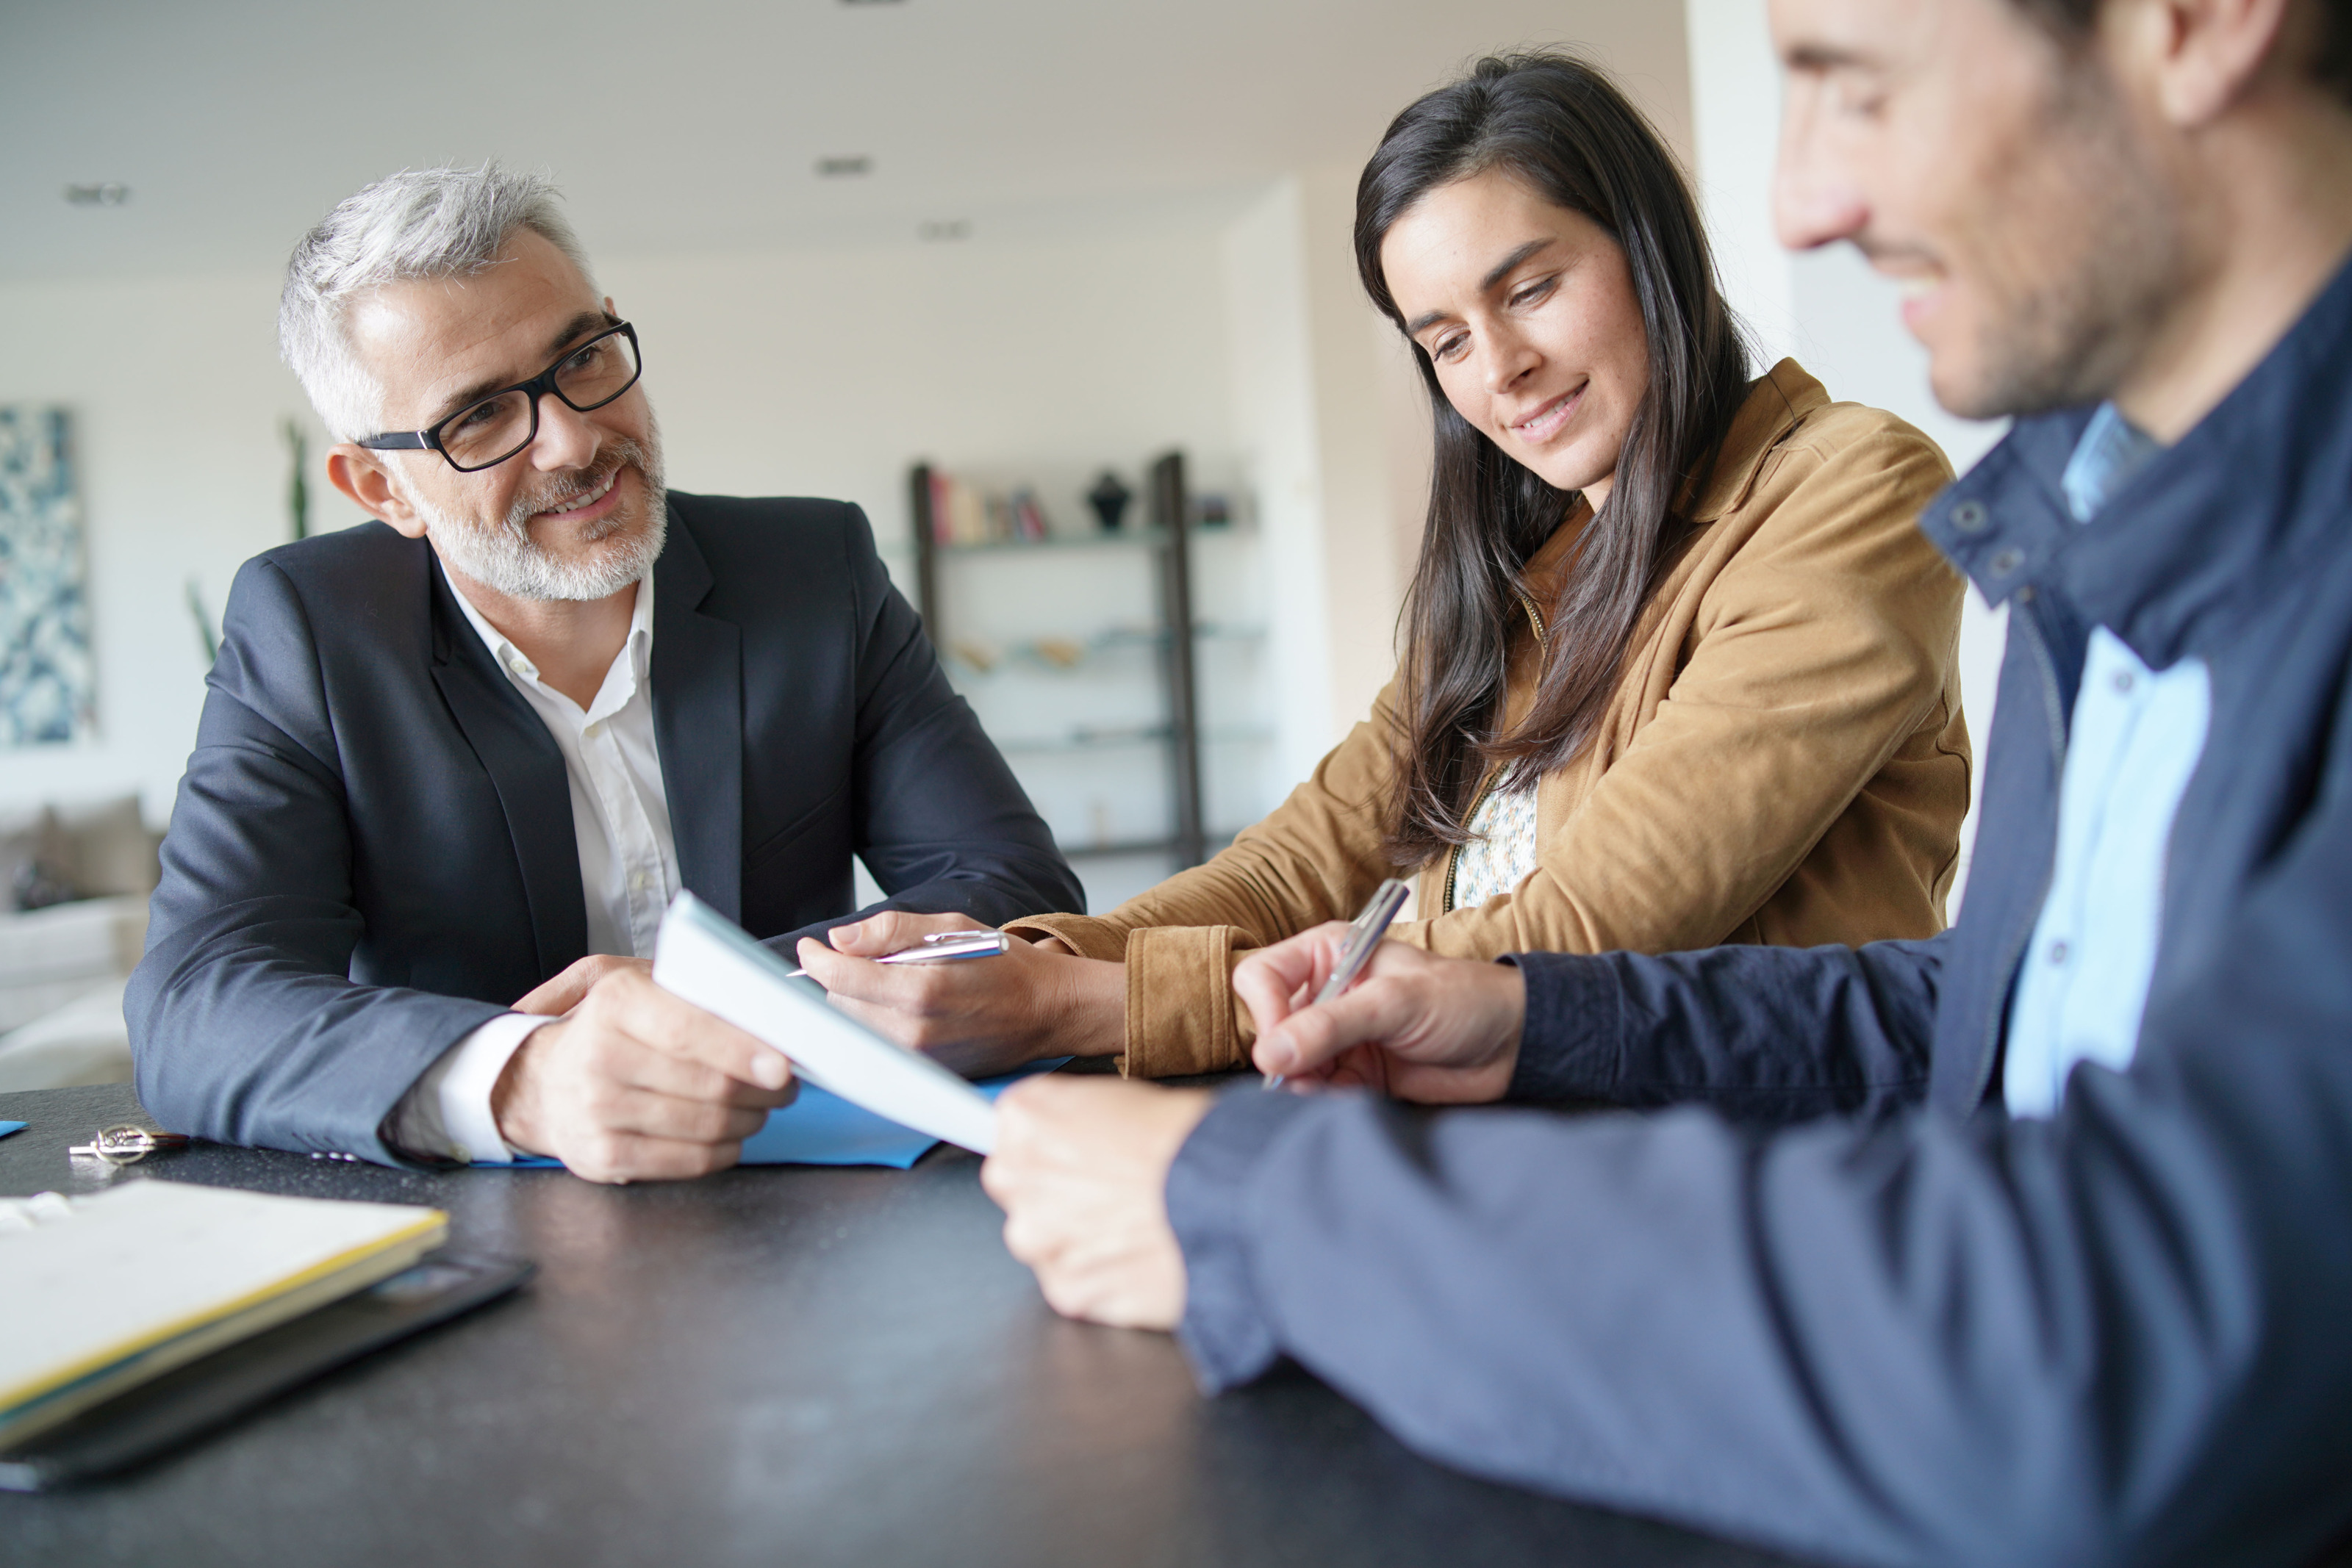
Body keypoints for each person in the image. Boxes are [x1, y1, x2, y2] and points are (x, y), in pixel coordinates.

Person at [980, 0, 2352, 1561]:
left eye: (1854, 84)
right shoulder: (2090, 521)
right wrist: (1021, 965)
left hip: (1809, 1313)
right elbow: (1994, 1008)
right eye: (1442, 336)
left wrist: (1247, 1190)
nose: (1798, 205)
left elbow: (2109, 1337)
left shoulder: (1881, 497)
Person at [802, 54, 1971, 1080]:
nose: (1500, 369)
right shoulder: (1538, 575)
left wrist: (1080, 1004)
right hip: (1543, 1161)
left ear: (1650, 247)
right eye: (1447, 340)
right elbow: (1295, 865)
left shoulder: (1853, 489)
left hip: (1772, 1182)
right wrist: (1014, 961)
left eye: (1531, 289)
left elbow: (1587, 932)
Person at [128, 164, 1080, 1183]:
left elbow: (1012, 889)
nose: (575, 438)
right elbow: (198, 1003)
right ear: (380, 485)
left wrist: (710, 993)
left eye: (581, 357)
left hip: (821, 1190)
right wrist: (525, 1076)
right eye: (481, 417)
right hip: (497, 1246)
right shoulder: (310, 632)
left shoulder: (816, 571)